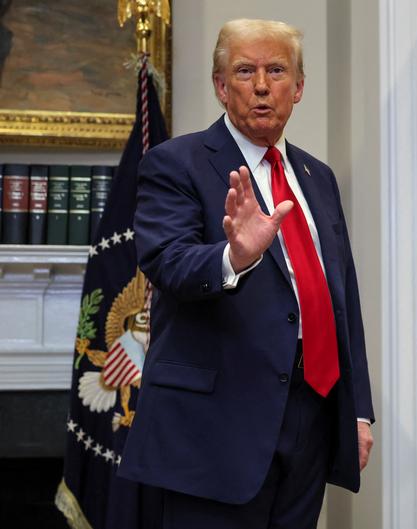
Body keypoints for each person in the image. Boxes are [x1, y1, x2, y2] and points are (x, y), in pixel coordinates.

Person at [118, 19, 375, 528]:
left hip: (312, 414)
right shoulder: (176, 162)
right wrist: (234, 258)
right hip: (216, 428)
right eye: (244, 71)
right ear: (220, 86)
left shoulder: (318, 177)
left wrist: (358, 410)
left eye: (276, 71)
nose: (261, 85)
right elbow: (167, 262)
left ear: (298, 88)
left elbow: (340, 298)